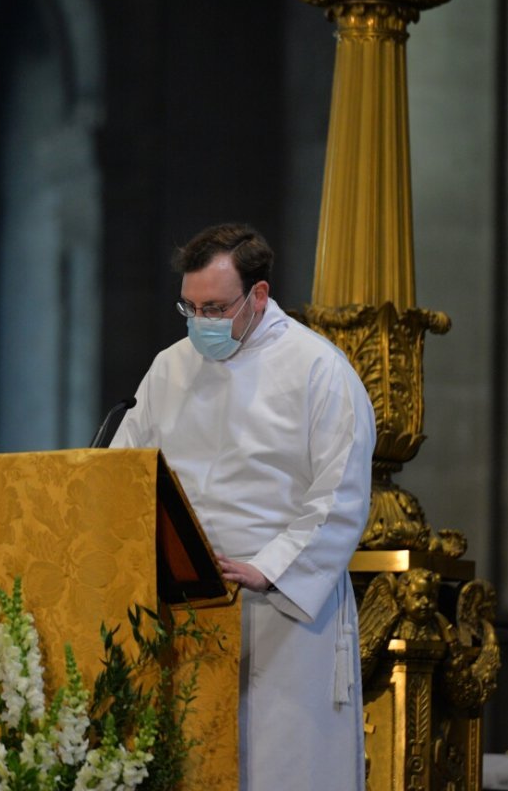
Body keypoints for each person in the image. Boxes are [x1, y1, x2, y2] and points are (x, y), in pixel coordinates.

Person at [111, 223, 377, 790]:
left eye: (215, 307)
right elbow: (123, 470)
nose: (201, 323)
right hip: (184, 611)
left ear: (258, 295)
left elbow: (340, 494)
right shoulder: (169, 367)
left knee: (279, 769)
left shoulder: (319, 370)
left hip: (278, 614)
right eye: (190, 308)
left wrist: (269, 568)